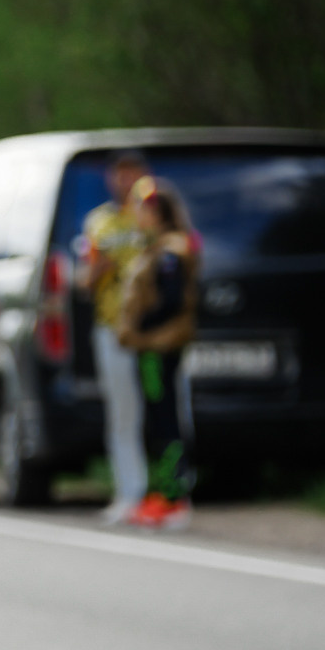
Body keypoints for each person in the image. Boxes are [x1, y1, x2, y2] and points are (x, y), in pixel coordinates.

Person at [116, 178, 200, 531]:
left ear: (159, 212)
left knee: (166, 422)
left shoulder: (171, 252)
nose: (138, 215)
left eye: (144, 209)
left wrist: (138, 326)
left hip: (158, 348)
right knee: (155, 421)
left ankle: (173, 496)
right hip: (149, 348)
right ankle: (160, 493)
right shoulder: (153, 248)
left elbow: (172, 302)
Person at [81, 151, 153, 525]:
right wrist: (97, 269)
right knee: (123, 413)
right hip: (114, 328)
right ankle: (129, 492)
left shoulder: (155, 214)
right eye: (120, 174)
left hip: (155, 330)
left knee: (165, 409)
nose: (126, 181)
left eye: (133, 173)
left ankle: (168, 492)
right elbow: (84, 281)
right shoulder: (99, 222)